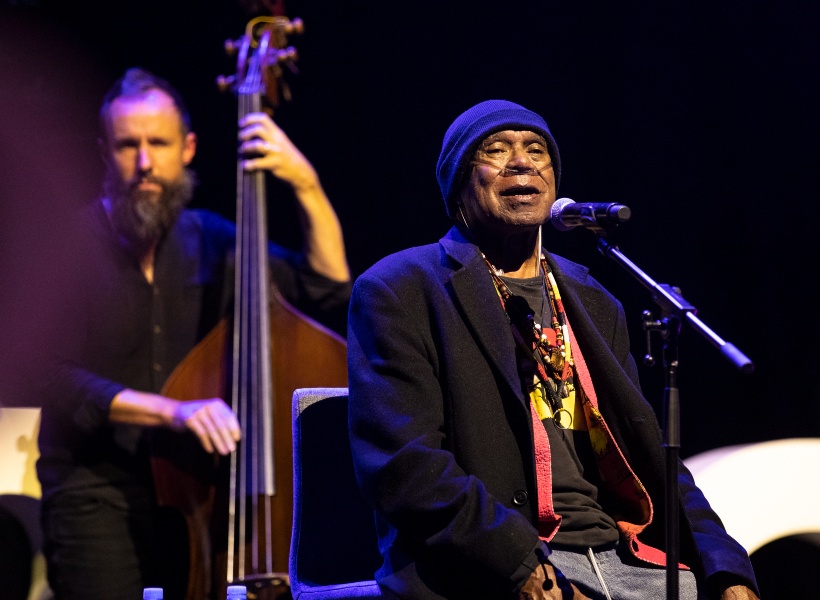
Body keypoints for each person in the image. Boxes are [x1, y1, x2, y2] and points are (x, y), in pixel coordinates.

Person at [347, 100, 759, 600]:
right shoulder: (402, 289)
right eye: (496, 150)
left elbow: (652, 455)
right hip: (500, 564)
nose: (521, 162)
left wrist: (725, 568)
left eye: (536, 150)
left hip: (628, 556)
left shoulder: (593, 299)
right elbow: (404, 464)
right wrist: (519, 566)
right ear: (459, 181)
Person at [35, 67, 352, 600]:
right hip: (98, 488)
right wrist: (173, 410)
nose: (143, 162)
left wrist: (305, 183)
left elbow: (328, 287)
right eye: (127, 145)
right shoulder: (64, 248)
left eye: (156, 143)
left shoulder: (217, 241)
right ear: (102, 153)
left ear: (187, 148)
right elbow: (47, 373)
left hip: (200, 491)